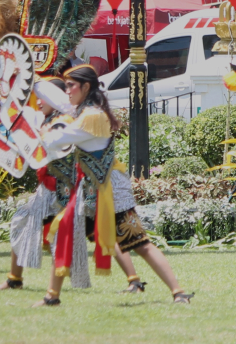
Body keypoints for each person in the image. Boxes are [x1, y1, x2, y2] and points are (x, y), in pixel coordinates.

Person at [33, 65, 191, 307]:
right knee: (65, 230)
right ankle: (52, 296)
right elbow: (54, 101)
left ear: (85, 87)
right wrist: (31, 81)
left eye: (70, 86)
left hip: (110, 190)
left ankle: (178, 292)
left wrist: (45, 130)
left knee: (138, 243)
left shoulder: (92, 116)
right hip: (91, 190)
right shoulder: (84, 109)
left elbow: (57, 140)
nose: (66, 91)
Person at [0, 77, 149, 295]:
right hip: (50, 186)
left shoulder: (65, 120)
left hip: (68, 188)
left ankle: (132, 281)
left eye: (43, 98)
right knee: (24, 219)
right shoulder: (48, 119)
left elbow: (50, 146)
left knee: (103, 232)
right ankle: (17, 279)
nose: (38, 102)